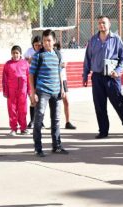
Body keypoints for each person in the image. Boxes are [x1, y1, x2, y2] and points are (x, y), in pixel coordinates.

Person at [82, 15, 123, 139]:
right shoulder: (93, 40)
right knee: (99, 105)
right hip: (97, 77)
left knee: (118, 102)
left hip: (112, 78)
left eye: (104, 23)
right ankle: (103, 130)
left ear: (109, 24)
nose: (102, 25)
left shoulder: (116, 39)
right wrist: (85, 75)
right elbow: (87, 59)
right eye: (100, 23)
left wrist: (118, 70)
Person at [29, 29, 68, 157]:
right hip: (42, 92)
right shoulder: (38, 56)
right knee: (39, 119)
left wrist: (62, 89)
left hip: (56, 92)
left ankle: (56, 146)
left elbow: (59, 73)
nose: (46, 43)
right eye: (44, 40)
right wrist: (33, 92)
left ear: (54, 41)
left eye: (49, 40)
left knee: (56, 120)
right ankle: (38, 148)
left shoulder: (57, 54)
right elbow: (31, 75)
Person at [2, 45, 30, 136]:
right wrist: (5, 91)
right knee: (12, 110)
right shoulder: (8, 64)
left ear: (20, 54)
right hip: (11, 91)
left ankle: (23, 128)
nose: (15, 55)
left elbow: (29, 78)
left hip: (22, 91)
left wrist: (30, 91)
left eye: (17, 53)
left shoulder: (25, 63)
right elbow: (4, 79)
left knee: (23, 110)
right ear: (11, 54)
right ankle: (13, 128)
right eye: (13, 53)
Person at [54, 42, 77, 130]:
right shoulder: (48, 54)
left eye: (56, 47)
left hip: (63, 80)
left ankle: (68, 122)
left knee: (66, 101)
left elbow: (64, 64)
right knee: (52, 102)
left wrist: (56, 64)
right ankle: (52, 122)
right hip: (53, 79)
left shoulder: (62, 53)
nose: (54, 49)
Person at [24, 36, 42, 129]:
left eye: (39, 45)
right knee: (32, 99)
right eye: (36, 45)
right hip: (32, 76)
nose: (38, 47)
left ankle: (40, 121)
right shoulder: (30, 51)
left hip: (41, 77)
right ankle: (32, 120)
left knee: (41, 99)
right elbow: (24, 60)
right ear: (33, 45)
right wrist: (28, 60)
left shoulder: (43, 51)